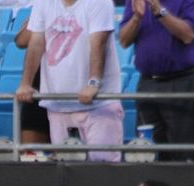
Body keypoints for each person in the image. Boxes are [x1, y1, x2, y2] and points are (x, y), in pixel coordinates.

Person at [15, 0, 124, 162]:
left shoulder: (99, 2)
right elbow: (35, 43)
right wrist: (25, 83)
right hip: (58, 105)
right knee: (65, 171)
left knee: (102, 171)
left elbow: (99, 42)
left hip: (98, 106)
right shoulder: (44, 3)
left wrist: (93, 82)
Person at [119, 0, 194, 161]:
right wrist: (137, 18)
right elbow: (123, 41)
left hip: (182, 82)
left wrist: (159, 10)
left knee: (184, 154)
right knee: (146, 154)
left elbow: (187, 35)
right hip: (147, 83)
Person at [14, 16, 51, 155]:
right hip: (38, 87)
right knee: (30, 157)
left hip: (69, 87)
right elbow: (21, 40)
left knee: (68, 157)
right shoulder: (44, 6)